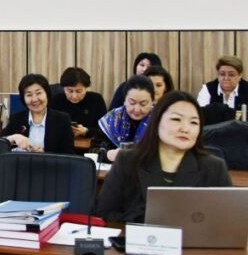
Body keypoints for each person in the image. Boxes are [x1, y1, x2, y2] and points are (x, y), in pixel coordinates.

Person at [97, 91, 231, 222]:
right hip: (140, 236)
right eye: (176, 119)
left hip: (193, 237)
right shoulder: (127, 160)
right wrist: (144, 220)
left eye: (194, 122)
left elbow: (227, 220)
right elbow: (105, 213)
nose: (185, 128)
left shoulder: (215, 168)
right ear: (156, 121)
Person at [0, 74, 75, 154]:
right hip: (22, 162)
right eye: (29, 95)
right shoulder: (16, 119)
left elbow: (68, 154)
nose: (34, 99)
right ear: (23, 98)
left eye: (38, 93)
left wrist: (43, 154)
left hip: (50, 162)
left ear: (47, 94)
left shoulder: (62, 119)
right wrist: (13, 137)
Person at [97, 75, 155, 162]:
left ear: (152, 102)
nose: (137, 109)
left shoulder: (160, 121)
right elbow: (93, 151)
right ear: (124, 100)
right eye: (132, 103)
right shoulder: (111, 120)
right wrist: (108, 155)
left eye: (143, 104)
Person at [49, 67, 107, 140]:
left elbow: (105, 130)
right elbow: (48, 126)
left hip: (89, 144)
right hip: (62, 142)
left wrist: (86, 131)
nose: (74, 96)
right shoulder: (57, 100)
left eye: (78, 91)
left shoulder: (96, 100)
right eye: (70, 91)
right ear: (63, 88)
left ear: (86, 88)